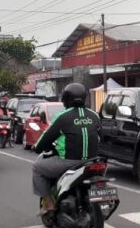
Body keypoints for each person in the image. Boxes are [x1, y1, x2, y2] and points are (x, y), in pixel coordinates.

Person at [32, 83, 100, 217]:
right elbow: (100, 136)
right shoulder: (94, 115)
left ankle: (48, 203)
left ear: (65, 99)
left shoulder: (62, 116)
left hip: (70, 162)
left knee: (37, 168)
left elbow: (46, 138)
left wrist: (37, 147)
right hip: (93, 161)